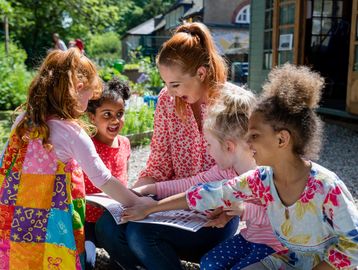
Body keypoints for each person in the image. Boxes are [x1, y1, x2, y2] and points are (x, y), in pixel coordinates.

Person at [123, 64, 358, 269]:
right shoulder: (262, 179)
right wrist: (151, 208)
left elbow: (354, 245)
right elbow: (210, 193)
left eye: (254, 135)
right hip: (290, 260)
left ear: (282, 140)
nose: (248, 142)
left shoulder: (326, 187)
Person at [96, 22, 240, 270]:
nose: (169, 92)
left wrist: (153, 198)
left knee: (141, 235)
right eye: (165, 84)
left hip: (214, 214)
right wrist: (131, 197)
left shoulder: (231, 104)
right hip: (169, 206)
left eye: (175, 84)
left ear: (201, 73)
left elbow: (225, 179)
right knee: (107, 225)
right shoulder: (167, 101)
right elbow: (160, 161)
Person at [0, 48, 147, 269]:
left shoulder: (23, 120)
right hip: (52, 224)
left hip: (13, 218)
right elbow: (104, 179)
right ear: (78, 89)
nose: (90, 100)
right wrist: (140, 203)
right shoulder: (71, 133)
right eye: (90, 94)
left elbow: (4, 162)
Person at [134, 86, 286, 269]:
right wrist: (149, 189)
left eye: (209, 144)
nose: (207, 150)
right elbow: (192, 185)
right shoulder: (226, 171)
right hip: (249, 237)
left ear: (229, 147)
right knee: (209, 263)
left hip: (276, 248)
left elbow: (281, 219)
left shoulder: (268, 173)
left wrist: (242, 210)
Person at [84, 77, 131, 269]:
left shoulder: (125, 143)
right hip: (85, 219)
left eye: (119, 114)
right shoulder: (86, 144)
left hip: (113, 218)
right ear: (92, 117)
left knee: (120, 262)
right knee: (86, 262)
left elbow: (125, 181)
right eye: (107, 114)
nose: (115, 120)